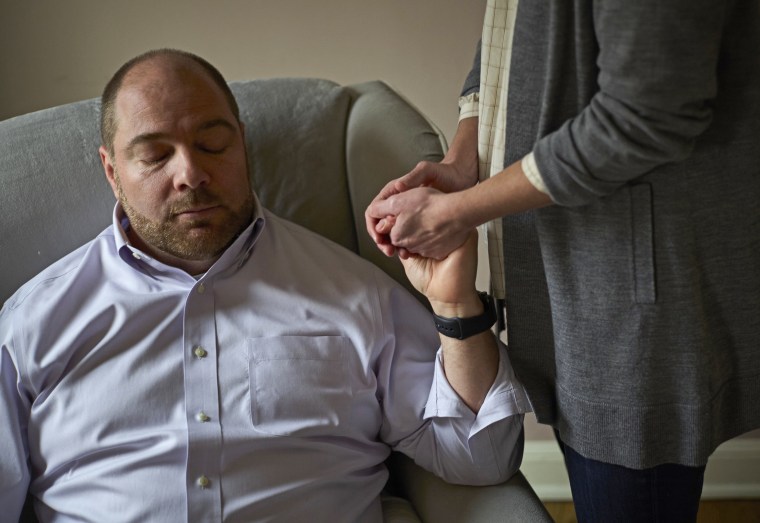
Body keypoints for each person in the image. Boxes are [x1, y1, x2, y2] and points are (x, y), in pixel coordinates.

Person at [0, 49, 531, 522]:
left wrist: (455, 304)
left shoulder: (357, 294)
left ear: (243, 145)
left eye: (212, 143)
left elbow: (481, 459)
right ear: (112, 170)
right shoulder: (34, 321)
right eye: (155, 155)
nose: (191, 173)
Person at [366, 1, 760, 521]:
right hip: (574, 275)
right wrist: (464, 163)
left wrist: (459, 210)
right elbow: (504, 37)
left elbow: (648, 113)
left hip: (634, 284)